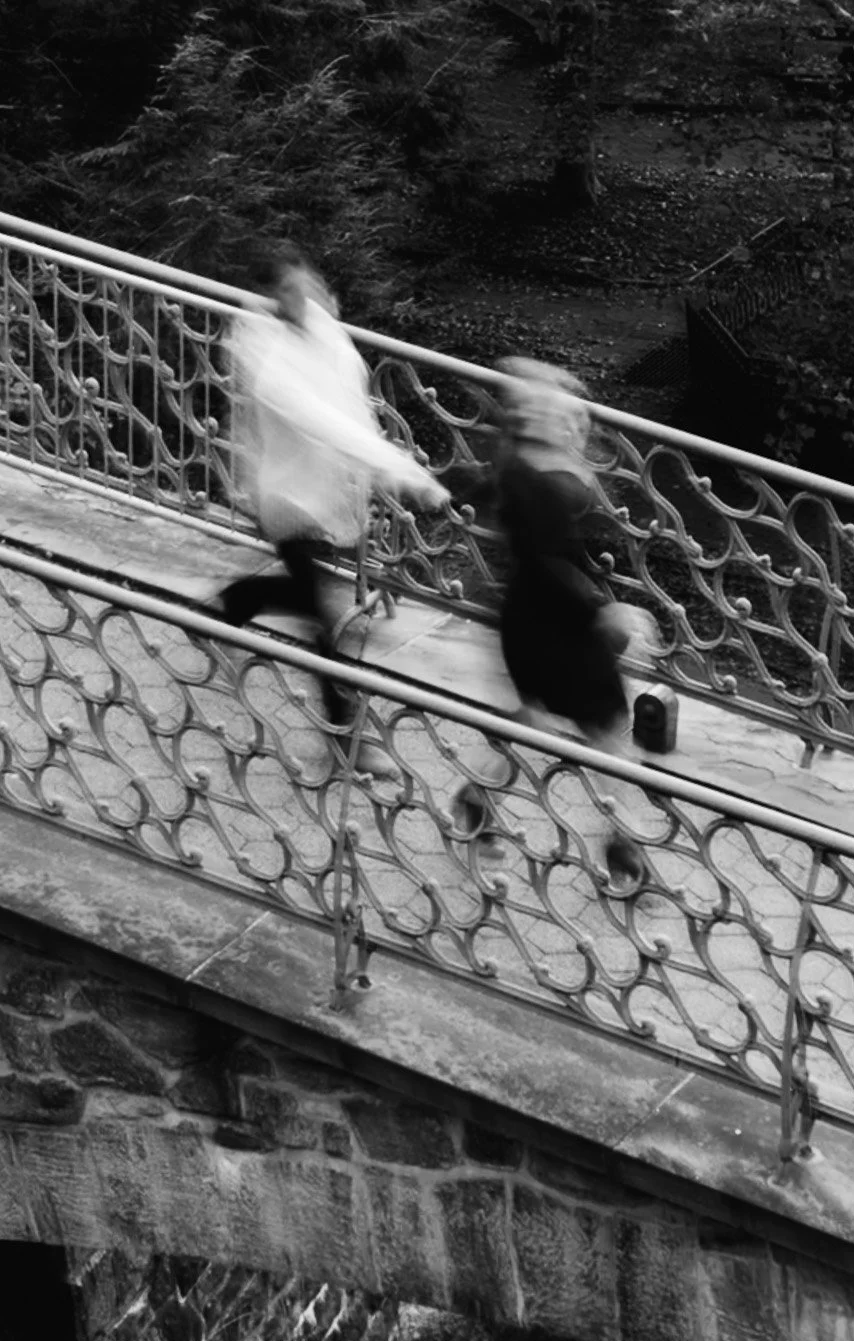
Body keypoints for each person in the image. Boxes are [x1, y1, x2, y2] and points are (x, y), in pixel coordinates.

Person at [217, 251, 447, 778]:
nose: (311, 298)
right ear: (276, 300)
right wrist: (404, 471)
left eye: (311, 285)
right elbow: (321, 420)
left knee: (306, 598)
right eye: (295, 292)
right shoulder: (266, 357)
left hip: (326, 494)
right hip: (288, 499)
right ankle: (348, 742)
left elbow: (352, 405)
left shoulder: (322, 330)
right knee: (323, 617)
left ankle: (235, 602)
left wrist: (381, 468)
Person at [459, 358, 658, 881]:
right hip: (557, 619)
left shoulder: (523, 462)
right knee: (610, 728)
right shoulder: (531, 478)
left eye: (576, 417)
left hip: (535, 616)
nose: (573, 424)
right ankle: (623, 846)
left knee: (532, 718)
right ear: (530, 417)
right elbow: (547, 560)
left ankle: (476, 801)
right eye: (558, 413)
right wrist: (606, 612)